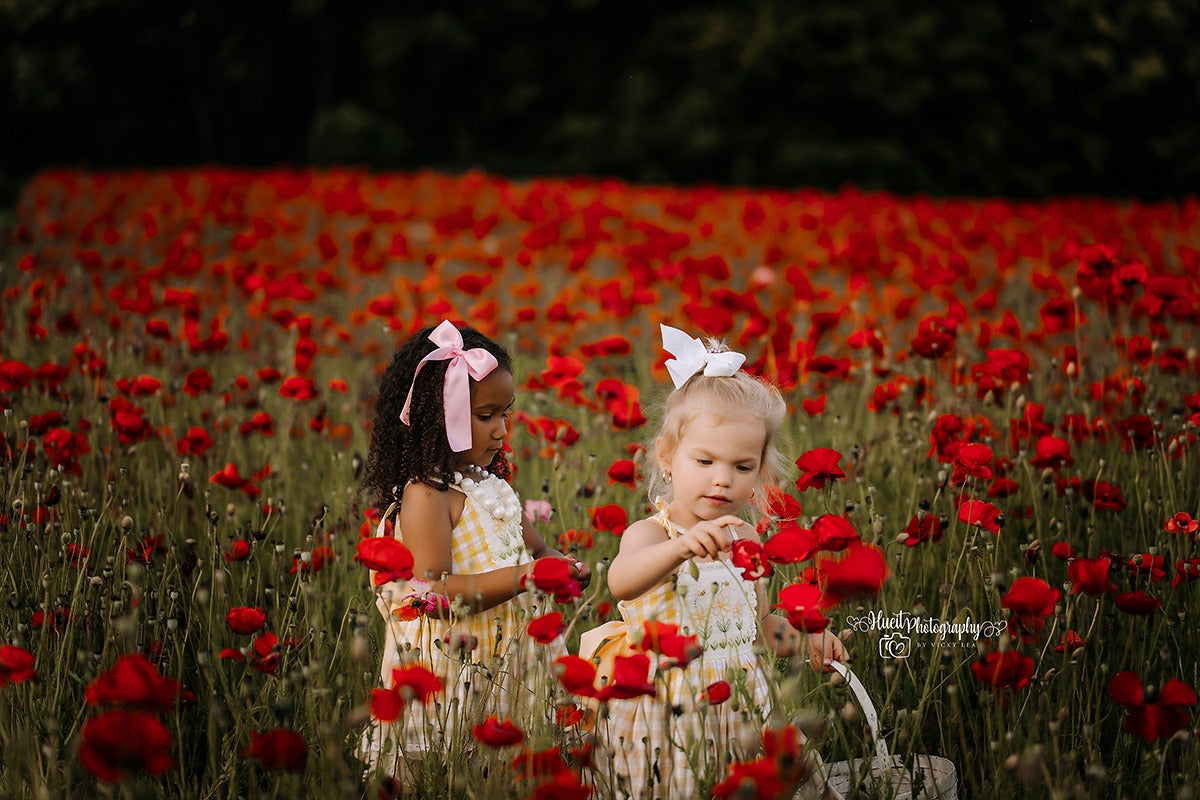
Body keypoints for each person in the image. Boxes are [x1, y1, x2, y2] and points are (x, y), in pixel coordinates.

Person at [584, 324, 845, 799]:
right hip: (672, 710)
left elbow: (757, 625)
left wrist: (805, 638)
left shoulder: (744, 537)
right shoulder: (652, 535)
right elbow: (621, 583)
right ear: (667, 457)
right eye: (705, 462)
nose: (723, 479)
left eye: (742, 467)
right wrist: (680, 549)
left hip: (743, 706)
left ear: (760, 471)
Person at [358, 319, 590, 782]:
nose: (502, 431)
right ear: (438, 417)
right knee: (454, 773)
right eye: (486, 416)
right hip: (456, 673)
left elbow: (537, 548)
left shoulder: (491, 486)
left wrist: (561, 566)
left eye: (506, 414)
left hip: (510, 665)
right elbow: (434, 594)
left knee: (507, 774)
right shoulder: (428, 495)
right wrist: (524, 578)